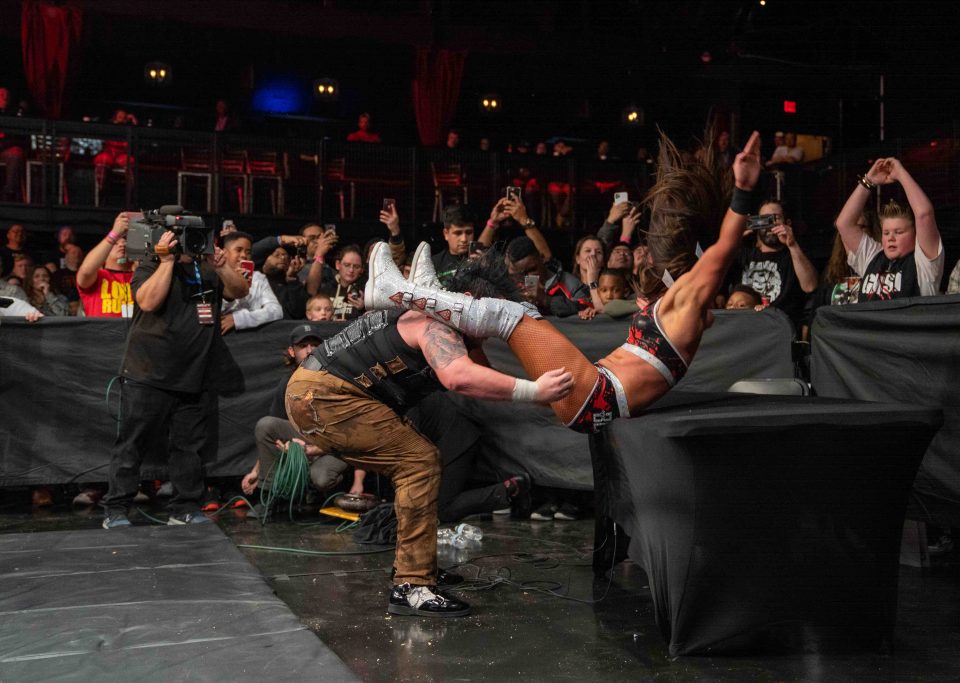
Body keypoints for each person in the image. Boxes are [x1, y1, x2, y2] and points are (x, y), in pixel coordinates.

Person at [364, 130, 764, 434]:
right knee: (519, 312)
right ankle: (427, 295)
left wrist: (744, 189)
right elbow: (696, 259)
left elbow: (723, 250)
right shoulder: (682, 305)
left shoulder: (688, 302)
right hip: (595, 393)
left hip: (597, 394)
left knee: (510, 315)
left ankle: (397, 292)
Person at [284, 268, 572, 619]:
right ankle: (412, 586)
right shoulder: (438, 323)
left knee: (417, 463)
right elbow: (459, 377)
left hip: (318, 390)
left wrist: (550, 398)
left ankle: (418, 568)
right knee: (418, 464)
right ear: (470, 303)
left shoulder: (441, 321)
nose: (493, 326)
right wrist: (535, 391)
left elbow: (483, 376)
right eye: (492, 313)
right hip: (324, 397)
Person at [100, 219, 249, 529]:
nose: (186, 243)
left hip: (194, 374)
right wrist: (167, 261)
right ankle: (116, 509)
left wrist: (222, 265)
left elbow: (240, 291)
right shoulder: (150, 265)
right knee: (133, 444)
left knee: (188, 447)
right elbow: (147, 301)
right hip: (148, 371)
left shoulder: (207, 268)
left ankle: (185, 508)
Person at [242, 324, 350, 518]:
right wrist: (256, 472)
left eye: (315, 345)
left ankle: (332, 495)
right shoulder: (288, 382)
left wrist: (311, 450)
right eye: (303, 346)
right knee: (266, 424)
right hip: (306, 437)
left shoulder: (336, 378)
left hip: (334, 446)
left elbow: (349, 435)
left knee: (321, 477)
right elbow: (272, 427)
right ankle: (270, 496)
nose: (310, 350)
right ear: (292, 352)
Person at [835, 157, 944, 300]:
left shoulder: (923, 263)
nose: (891, 238)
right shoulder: (872, 257)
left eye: (899, 232)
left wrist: (900, 173)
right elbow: (844, 224)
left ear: (915, 234)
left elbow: (924, 214)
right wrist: (868, 181)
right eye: (886, 233)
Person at [735, 199, 818, 327]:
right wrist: (734, 239)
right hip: (744, 325)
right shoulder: (744, 254)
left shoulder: (795, 254)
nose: (770, 225)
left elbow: (810, 286)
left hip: (780, 327)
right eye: (764, 219)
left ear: (787, 223)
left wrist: (792, 245)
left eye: (775, 218)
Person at [220, 231, 284, 333]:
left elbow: (276, 311)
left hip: (253, 336)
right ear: (225, 253)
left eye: (248, 252)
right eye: (238, 250)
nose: (244, 255)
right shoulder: (215, 275)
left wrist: (239, 319)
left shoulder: (258, 278)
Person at [77, 213, 134, 317]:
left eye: (125, 242)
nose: (122, 244)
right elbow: (85, 271)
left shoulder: (139, 276)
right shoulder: (98, 276)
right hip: (102, 328)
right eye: (115, 243)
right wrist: (114, 234)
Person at [0, 86, 25, 202]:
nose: (4, 98)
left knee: (16, 154)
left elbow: (18, 138)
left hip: (5, 149)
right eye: (1, 95)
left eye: (6, 96)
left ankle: (9, 193)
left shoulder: (13, 115)